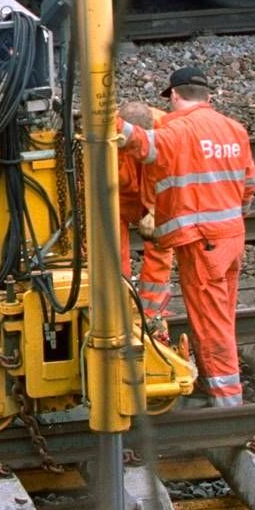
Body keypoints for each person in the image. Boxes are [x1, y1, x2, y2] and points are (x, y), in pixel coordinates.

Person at [117, 66, 255, 407]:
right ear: (208, 97)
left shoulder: (177, 131)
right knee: (223, 315)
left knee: (212, 325)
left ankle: (227, 404)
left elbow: (139, 142)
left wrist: (103, 118)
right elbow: (249, 186)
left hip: (202, 243)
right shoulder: (234, 129)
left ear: (174, 96)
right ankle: (219, 388)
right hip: (232, 238)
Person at [116, 100, 175, 337]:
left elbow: (170, 173)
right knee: (113, 255)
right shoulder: (107, 133)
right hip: (118, 198)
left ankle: (151, 316)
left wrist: (154, 210)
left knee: (160, 247)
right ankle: (118, 308)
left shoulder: (167, 131)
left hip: (156, 195)